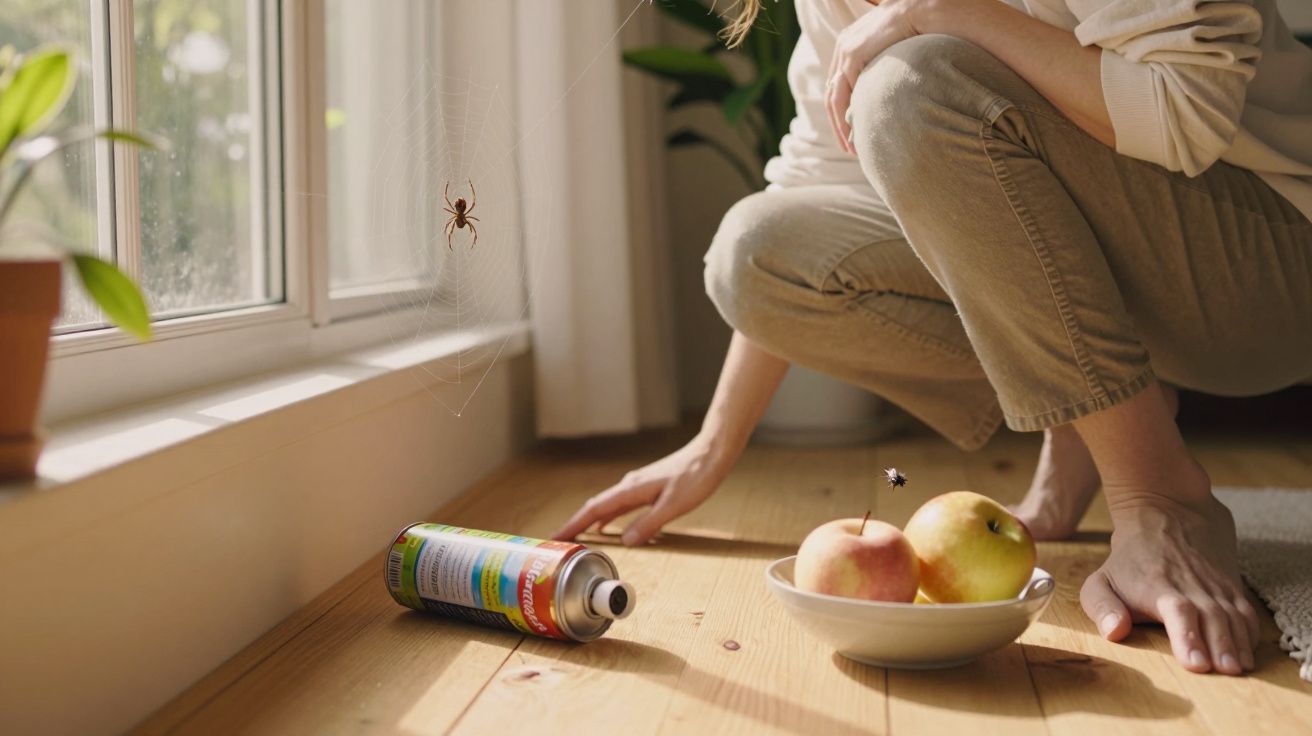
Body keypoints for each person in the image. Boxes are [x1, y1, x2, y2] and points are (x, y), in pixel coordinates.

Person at [555, 0, 1312, 677]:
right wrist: (713, 444)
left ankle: (1161, 496)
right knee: (758, 259)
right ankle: (1100, 421)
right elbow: (825, 174)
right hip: (1152, 285)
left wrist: (947, 11)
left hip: (1274, 263)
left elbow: (1186, 109)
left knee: (913, 87)